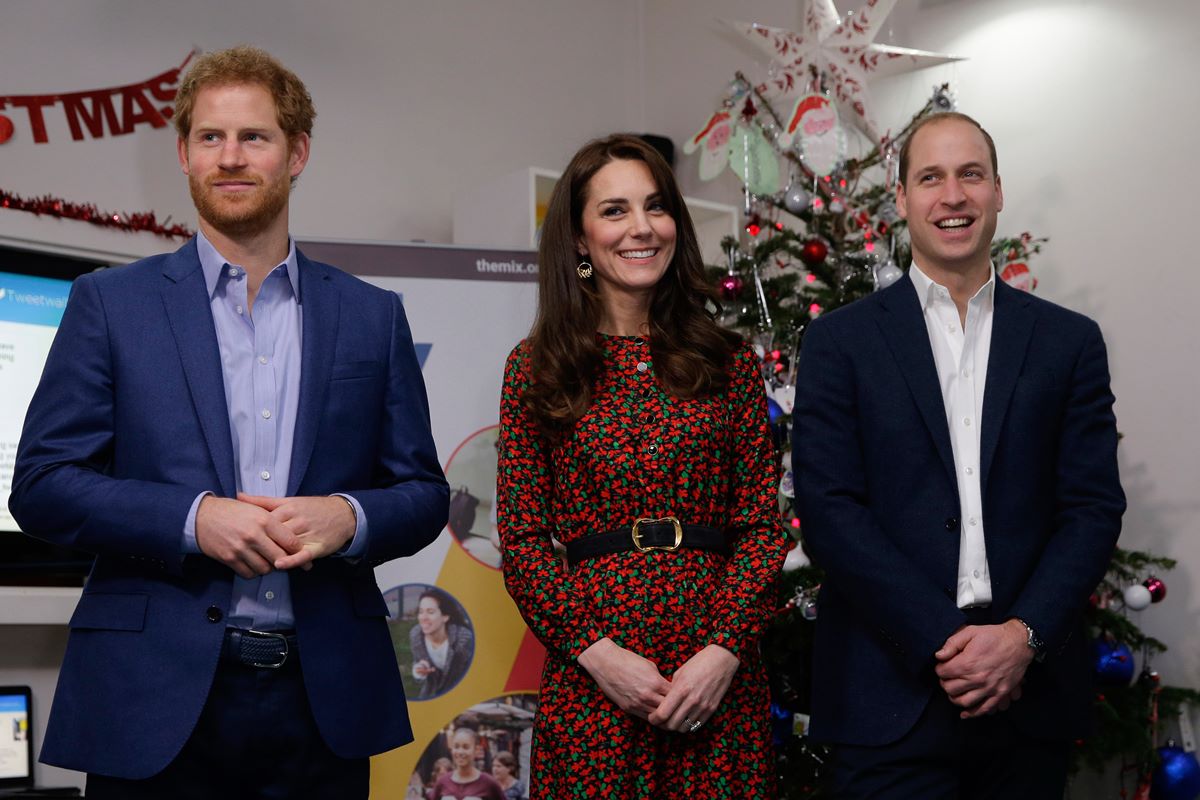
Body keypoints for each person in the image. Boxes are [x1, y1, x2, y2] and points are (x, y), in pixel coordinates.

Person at [8, 46, 448, 798]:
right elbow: (43, 485)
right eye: (210, 137)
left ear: (297, 151)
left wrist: (347, 517)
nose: (231, 157)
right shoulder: (110, 305)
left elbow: (423, 492)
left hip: (324, 702)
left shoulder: (371, 317)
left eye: (255, 137)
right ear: (183, 153)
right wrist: (192, 519)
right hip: (152, 700)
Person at [792, 111, 1125, 798]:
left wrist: (1020, 639)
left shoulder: (1069, 344)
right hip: (887, 700)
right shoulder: (840, 344)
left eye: (970, 174)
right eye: (931, 178)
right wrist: (947, 640)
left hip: (1027, 700)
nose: (953, 196)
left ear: (997, 190)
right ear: (904, 199)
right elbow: (829, 511)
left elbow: (1091, 509)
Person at [496, 133, 788, 797]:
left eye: (655, 207)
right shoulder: (536, 368)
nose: (641, 228)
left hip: (716, 676)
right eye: (615, 210)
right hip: (597, 674)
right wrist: (600, 657)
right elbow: (520, 540)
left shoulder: (730, 364)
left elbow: (762, 531)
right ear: (577, 236)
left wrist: (723, 651)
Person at [410, 587, 475, 699]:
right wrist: (419, 670)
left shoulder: (463, 639)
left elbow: (473, 675)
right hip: (431, 697)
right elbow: (418, 664)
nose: (423, 618)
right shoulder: (416, 635)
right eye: (421, 612)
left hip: (463, 696)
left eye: (430, 612)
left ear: (445, 616)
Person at [430, 728, 505, 800]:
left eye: (466, 747)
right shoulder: (443, 782)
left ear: (476, 750)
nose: (460, 752)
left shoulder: (489, 783)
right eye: (456, 747)